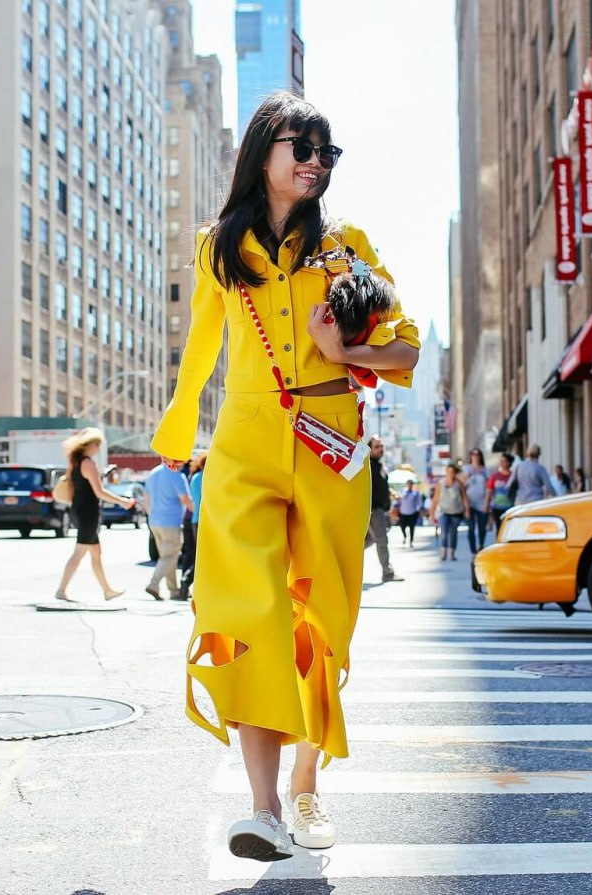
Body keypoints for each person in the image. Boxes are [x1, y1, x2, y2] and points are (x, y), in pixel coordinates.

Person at [151, 92, 419, 862]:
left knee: (321, 623)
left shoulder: (345, 244)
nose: (314, 162)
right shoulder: (218, 248)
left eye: (325, 152)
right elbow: (202, 345)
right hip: (243, 444)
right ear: (262, 151)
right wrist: (176, 430)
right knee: (250, 614)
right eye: (300, 147)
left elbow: (404, 348)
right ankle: (264, 808)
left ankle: (307, 782)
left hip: (331, 443)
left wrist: (345, 353)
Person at [54, 428, 134, 602]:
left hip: (78, 509)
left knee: (96, 553)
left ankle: (107, 590)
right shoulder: (88, 463)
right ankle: (61, 590)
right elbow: (99, 492)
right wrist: (122, 501)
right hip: (88, 513)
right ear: (87, 445)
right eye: (97, 444)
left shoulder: (74, 463)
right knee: (79, 552)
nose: (98, 447)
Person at [143, 461, 194, 601]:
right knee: (170, 556)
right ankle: (153, 584)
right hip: (170, 521)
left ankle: (174, 590)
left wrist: (151, 516)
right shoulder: (176, 475)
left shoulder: (153, 473)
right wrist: (198, 514)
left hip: (154, 521)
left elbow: (146, 500)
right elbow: (185, 499)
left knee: (166, 557)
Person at [364, 437, 397, 583]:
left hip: (379, 509)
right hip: (373, 509)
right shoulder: (368, 465)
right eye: (377, 446)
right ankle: (387, 572)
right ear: (370, 448)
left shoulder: (379, 465)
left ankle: (345, 563)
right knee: (382, 540)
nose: (380, 449)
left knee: (369, 540)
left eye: (381, 446)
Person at [177, 454, 206, 602]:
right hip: (204, 521)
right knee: (204, 557)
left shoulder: (195, 477)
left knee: (195, 554)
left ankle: (186, 581)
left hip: (194, 519)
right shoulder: (207, 477)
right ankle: (187, 580)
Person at [430, 462, 470, 561]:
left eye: (452, 472)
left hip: (456, 512)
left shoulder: (459, 484)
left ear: (455, 473)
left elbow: (464, 498)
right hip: (443, 512)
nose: (450, 474)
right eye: (448, 472)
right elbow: (435, 499)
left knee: (453, 533)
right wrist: (432, 513)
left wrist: (467, 510)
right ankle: (444, 552)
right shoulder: (441, 483)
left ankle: (452, 553)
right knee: (444, 532)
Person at [462, 449, 490, 554]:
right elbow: (462, 485)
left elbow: (488, 487)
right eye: (473, 454)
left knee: (482, 528)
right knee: (471, 527)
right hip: (470, 503)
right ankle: (473, 551)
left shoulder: (485, 470)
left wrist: (487, 502)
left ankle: (481, 545)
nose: (475, 456)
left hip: (482, 502)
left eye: (478, 454)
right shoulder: (466, 468)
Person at [486, 452, 516, 528]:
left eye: (504, 461)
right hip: (497, 507)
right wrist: (486, 504)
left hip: (510, 506)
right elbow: (489, 490)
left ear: (509, 462)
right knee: (499, 528)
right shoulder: (495, 476)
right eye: (501, 461)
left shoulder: (514, 476)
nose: (502, 463)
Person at [396, 481, 423, 547]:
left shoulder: (416, 492)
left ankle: (411, 541)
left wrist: (418, 508)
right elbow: (398, 500)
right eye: (408, 484)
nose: (410, 486)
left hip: (412, 513)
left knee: (412, 527)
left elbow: (419, 502)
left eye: (411, 484)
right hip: (403, 513)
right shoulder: (403, 491)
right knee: (402, 526)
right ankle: (405, 536)